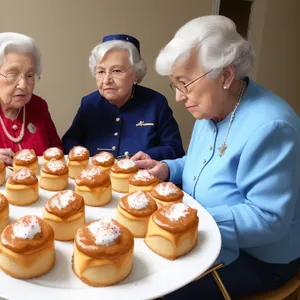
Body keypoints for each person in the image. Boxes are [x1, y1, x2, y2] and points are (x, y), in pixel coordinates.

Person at [132, 16, 300, 299]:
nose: (178, 97)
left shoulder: (273, 126)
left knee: (156, 287)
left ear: (225, 76)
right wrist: (167, 169)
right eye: (174, 85)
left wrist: (193, 219)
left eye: (184, 83)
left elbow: (269, 218)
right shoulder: (211, 109)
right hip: (204, 235)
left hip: (256, 258)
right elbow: (199, 165)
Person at [62, 34, 185, 160]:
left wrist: (149, 156)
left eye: (116, 71)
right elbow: (69, 141)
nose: (106, 80)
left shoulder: (156, 103)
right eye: (101, 71)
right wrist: (83, 156)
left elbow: (175, 148)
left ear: (136, 74)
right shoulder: (89, 103)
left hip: (139, 175)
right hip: (97, 176)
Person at [0, 32, 63, 165]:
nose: (23, 85)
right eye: (12, 74)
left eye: (29, 76)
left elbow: (56, 147)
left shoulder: (38, 105)